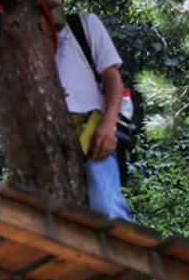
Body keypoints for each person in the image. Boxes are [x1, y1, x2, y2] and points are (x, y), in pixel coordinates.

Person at [55, 11, 133, 220]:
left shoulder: (83, 25)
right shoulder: (20, 41)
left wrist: (108, 126)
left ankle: (123, 249)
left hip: (93, 134)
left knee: (106, 206)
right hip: (53, 143)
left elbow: (113, 79)